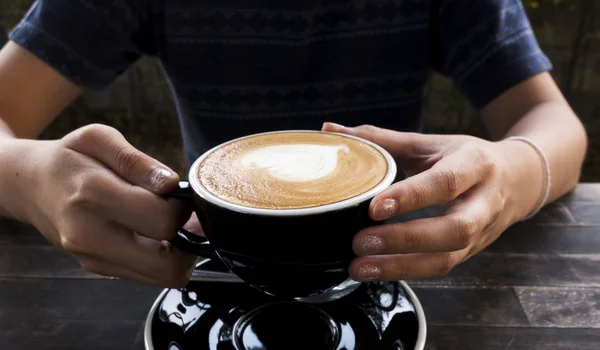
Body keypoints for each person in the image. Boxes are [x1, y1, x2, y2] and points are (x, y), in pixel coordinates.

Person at [0, 0, 587, 287]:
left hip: (383, 265)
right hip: (220, 263)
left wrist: (511, 174)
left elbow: (551, 120)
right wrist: (30, 178)